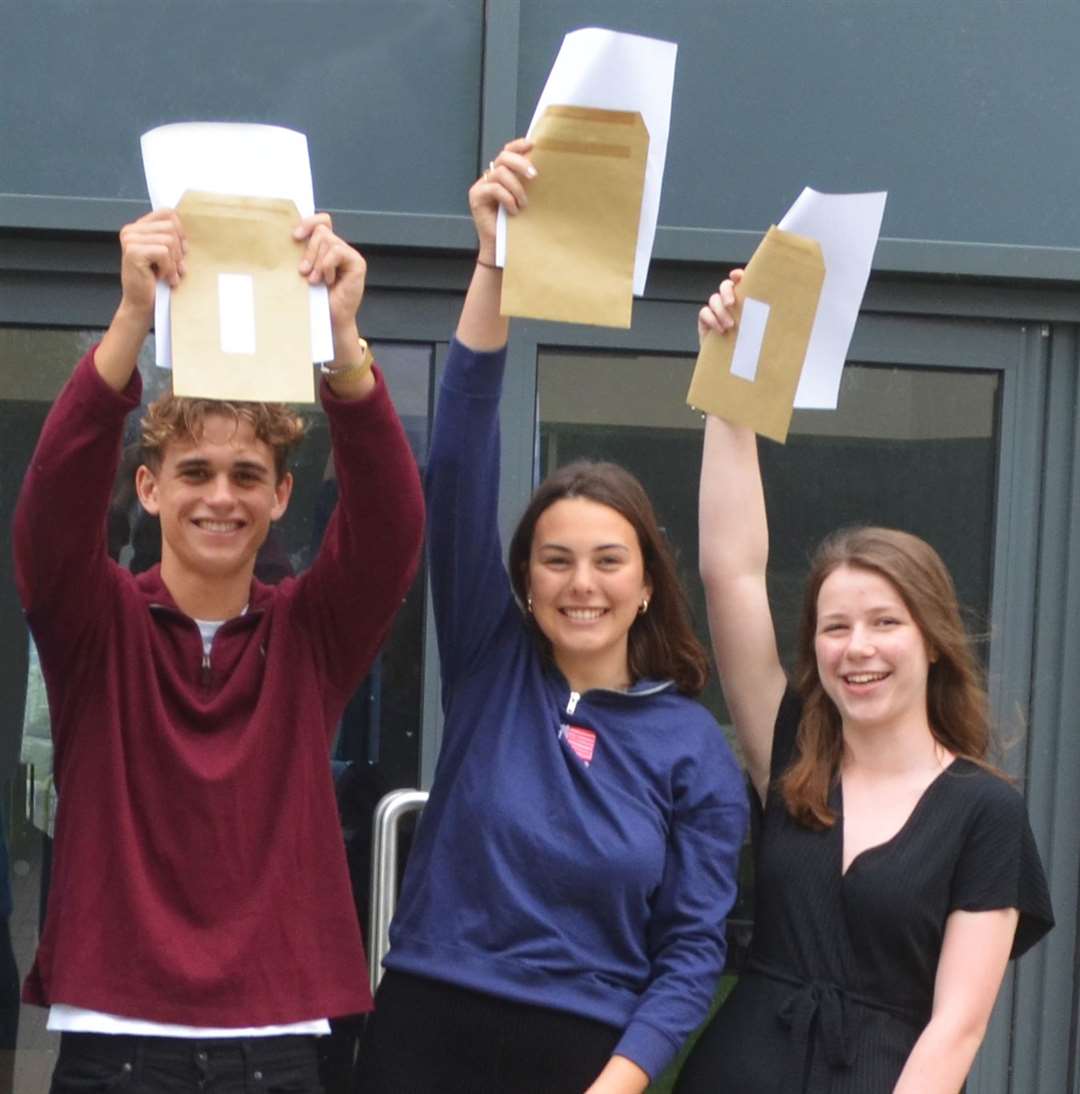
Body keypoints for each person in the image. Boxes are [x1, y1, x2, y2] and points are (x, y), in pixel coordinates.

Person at [358, 140, 749, 1094]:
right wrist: (493, 262)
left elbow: (693, 951)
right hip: (424, 1027)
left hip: (585, 1057)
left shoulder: (691, 748)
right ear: (524, 584)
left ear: (648, 583)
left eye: (610, 560)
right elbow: (458, 461)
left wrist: (620, 1082)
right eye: (557, 560)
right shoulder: (494, 664)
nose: (584, 583)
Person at [14, 205, 424, 1093]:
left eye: (246, 476)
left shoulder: (309, 636)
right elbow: (48, 517)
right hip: (113, 1049)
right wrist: (130, 321)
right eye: (194, 473)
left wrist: (343, 347)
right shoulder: (98, 625)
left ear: (282, 496)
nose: (220, 498)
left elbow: (391, 531)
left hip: (274, 1053)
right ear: (149, 488)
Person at [675, 273, 1054, 1093]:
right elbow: (731, 571)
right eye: (835, 626)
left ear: (932, 640)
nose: (859, 648)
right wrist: (732, 388)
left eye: (885, 622)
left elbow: (958, 1026)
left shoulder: (984, 813)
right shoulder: (790, 752)